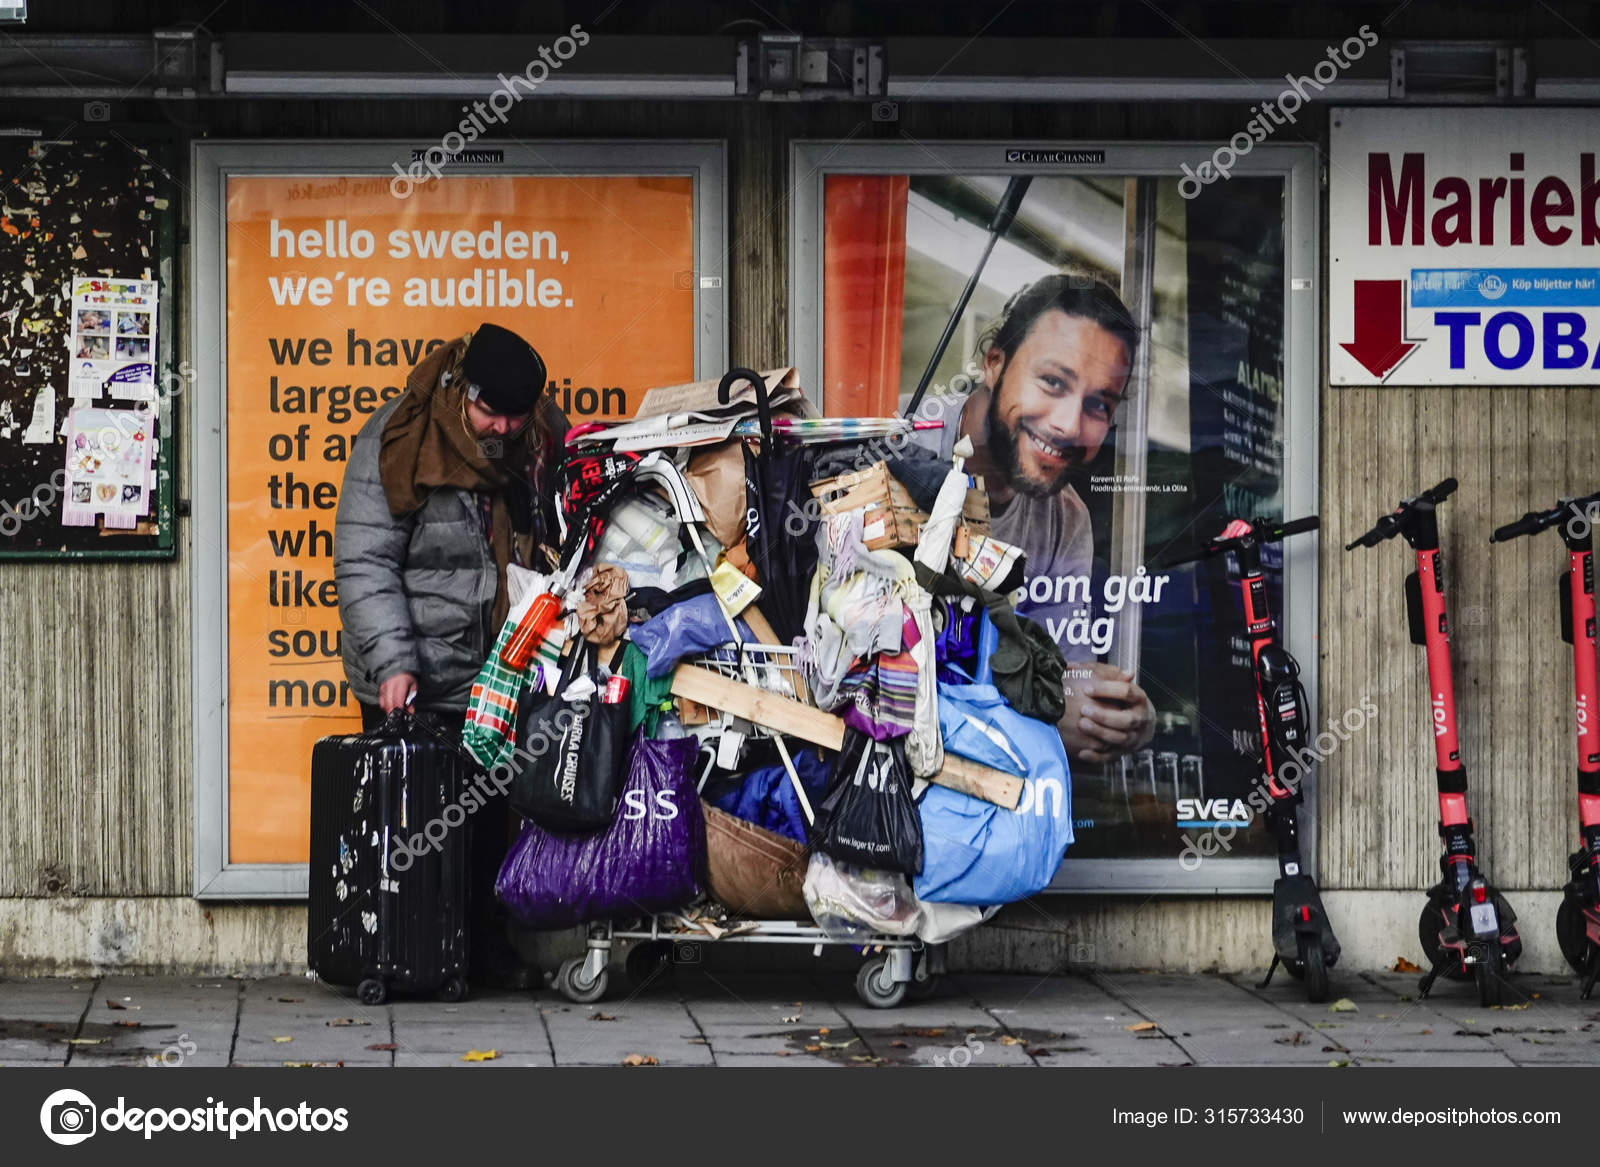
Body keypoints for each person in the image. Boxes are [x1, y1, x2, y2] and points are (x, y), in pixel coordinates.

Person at [335, 321, 568, 987]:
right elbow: (364, 562)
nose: (500, 428)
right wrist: (393, 663)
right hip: (411, 670)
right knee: (408, 833)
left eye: (513, 417)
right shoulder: (400, 439)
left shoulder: (538, 437)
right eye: (488, 411)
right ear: (463, 391)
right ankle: (398, 953)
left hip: (494, 673)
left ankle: (480, 959)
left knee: (487, 822)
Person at [913, 273, 1155, 765]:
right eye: (1052, 382)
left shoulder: (1066, 519)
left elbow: (1065, 678)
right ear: (994, 364)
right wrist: (1035, 708)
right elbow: (861, 679)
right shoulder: (893, 457)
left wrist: (1119, 714)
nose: (1068, 424)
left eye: (1098, 405)